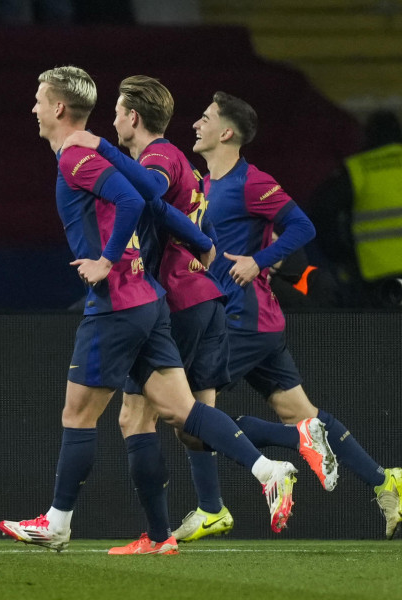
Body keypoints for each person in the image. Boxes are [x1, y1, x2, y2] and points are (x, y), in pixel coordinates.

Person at [0, 66, 298, 553]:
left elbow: (130, 199)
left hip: (116, 302)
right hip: (150, 300)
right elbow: (151, 199)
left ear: (57, 108)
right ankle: (267, 469)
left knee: (78, 414)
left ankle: (57, 522)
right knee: (181, 412)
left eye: (38, 99)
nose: (32, 107)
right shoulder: (99, 153)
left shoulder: (74, 157)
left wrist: (106, 261)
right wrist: (202, 240)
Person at [60, 75, 334, 555]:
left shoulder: (159, 157)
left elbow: (146, 193)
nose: (114, 120)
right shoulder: (176, 159)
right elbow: (163, 212)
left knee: (142, 416)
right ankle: (278, 454)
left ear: (134, 117)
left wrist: (99, 149)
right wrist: (204, 241)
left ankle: (175, 525)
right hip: (201, 298)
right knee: (190, 425)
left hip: (180, 298)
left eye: (120, 112)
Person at [183, 91, 402, 541]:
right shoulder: (204, 186)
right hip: (252, 320)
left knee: (189, 411)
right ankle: (385, 481)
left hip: (243, 318)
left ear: (226, 132)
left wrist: (257, 261)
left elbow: (303, 226)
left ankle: (212, 507)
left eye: (204, 118)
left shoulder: (251, 181)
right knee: (299, 412)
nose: (195, 125)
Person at [309, 110, 402, 308]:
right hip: (376, 274)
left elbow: (323, 212)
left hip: (375, 274)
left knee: (378, 335)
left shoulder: (358, 169)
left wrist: (341, 255)